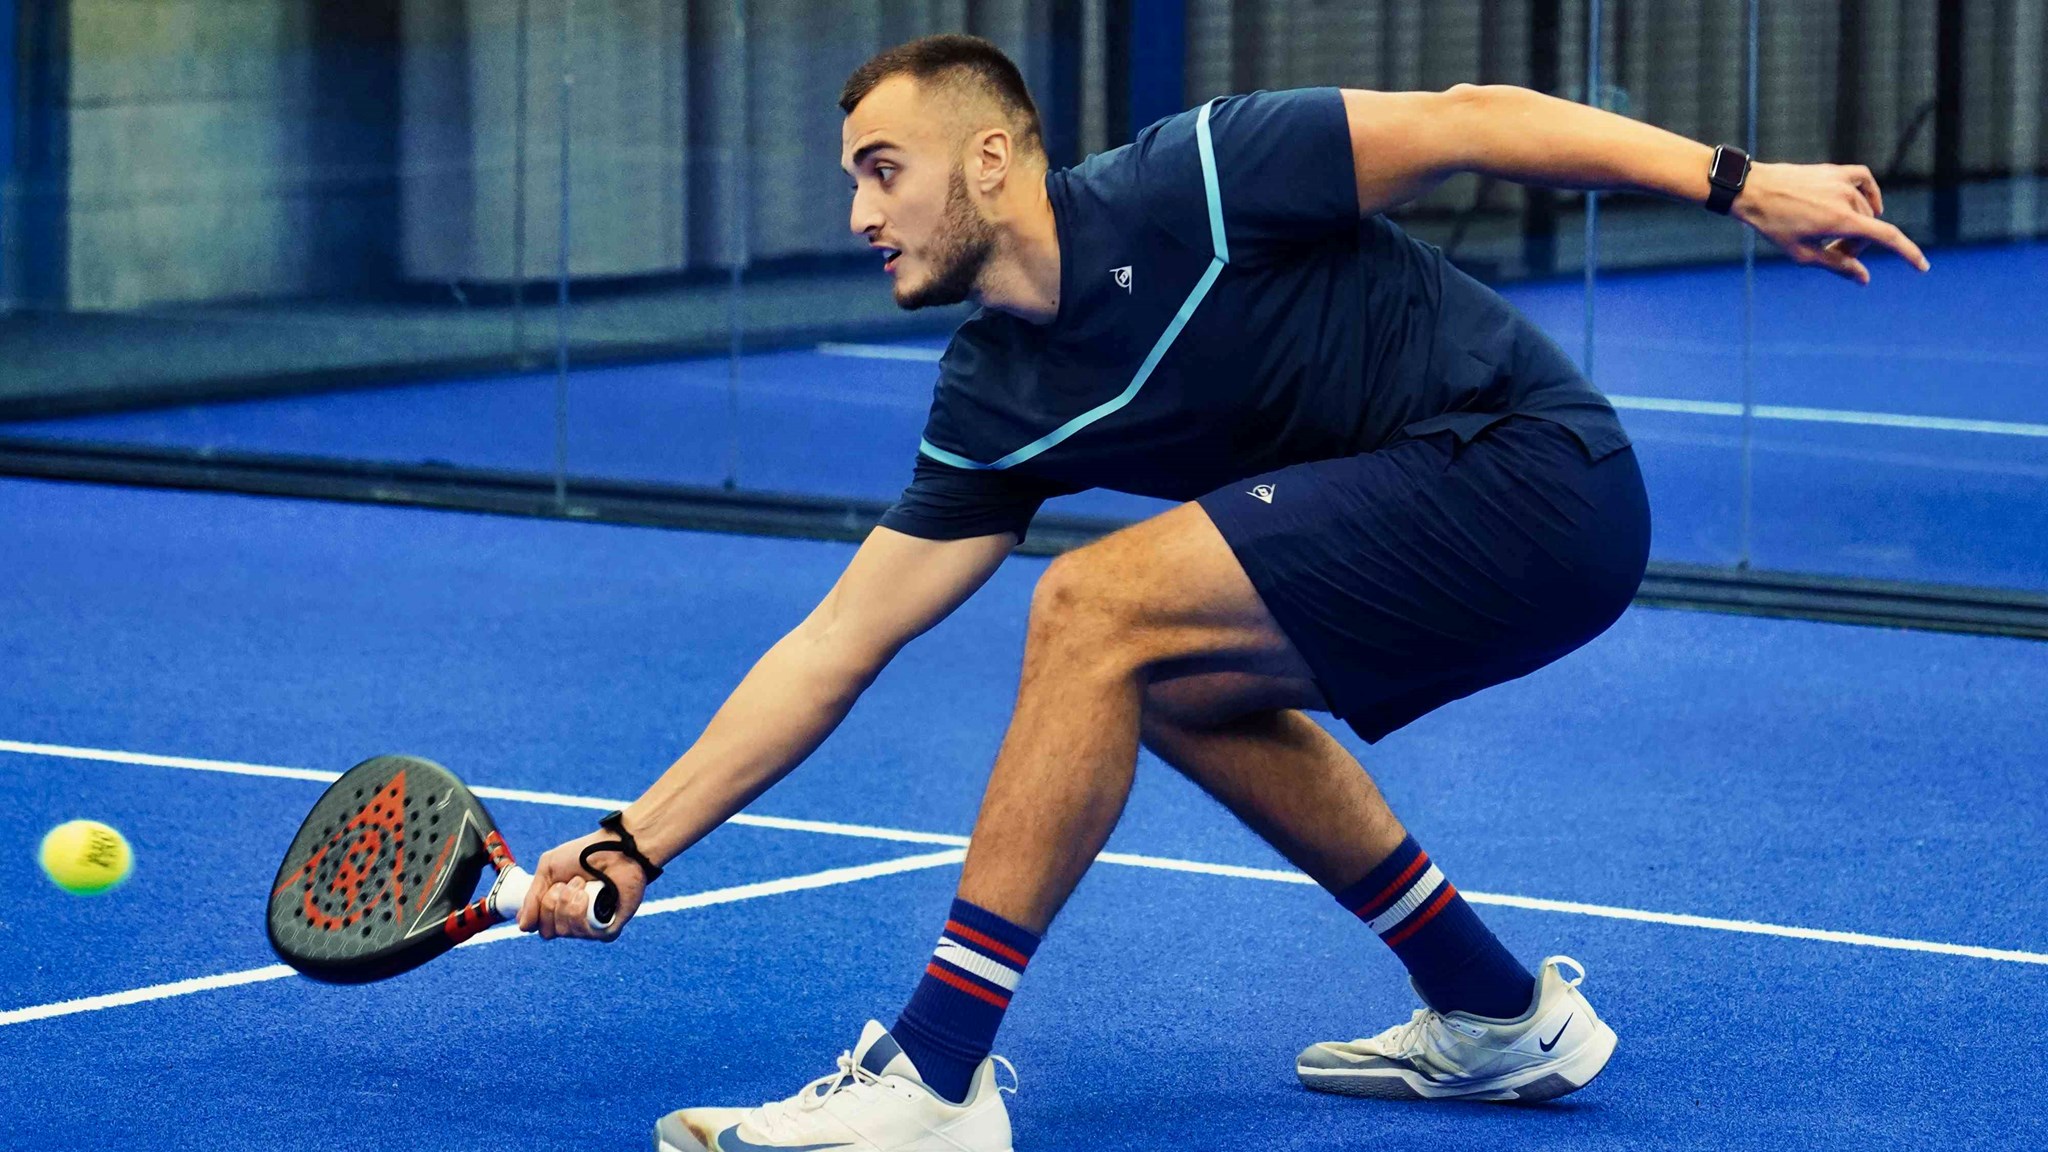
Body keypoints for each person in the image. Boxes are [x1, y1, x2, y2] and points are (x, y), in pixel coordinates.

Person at [517, 33, 1928, 1152]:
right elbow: (837, 641)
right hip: (1444, 512)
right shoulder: (994, 396)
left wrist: (1743, 183)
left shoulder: (1194, 174)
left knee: (1095, 604)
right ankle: (1499, 1013)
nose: (859, 212)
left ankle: (934, 1081)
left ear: (993, 157)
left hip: (1535, 468)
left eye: (884, 170)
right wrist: (635, 841)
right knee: (1169, 681)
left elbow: (1471, 113)